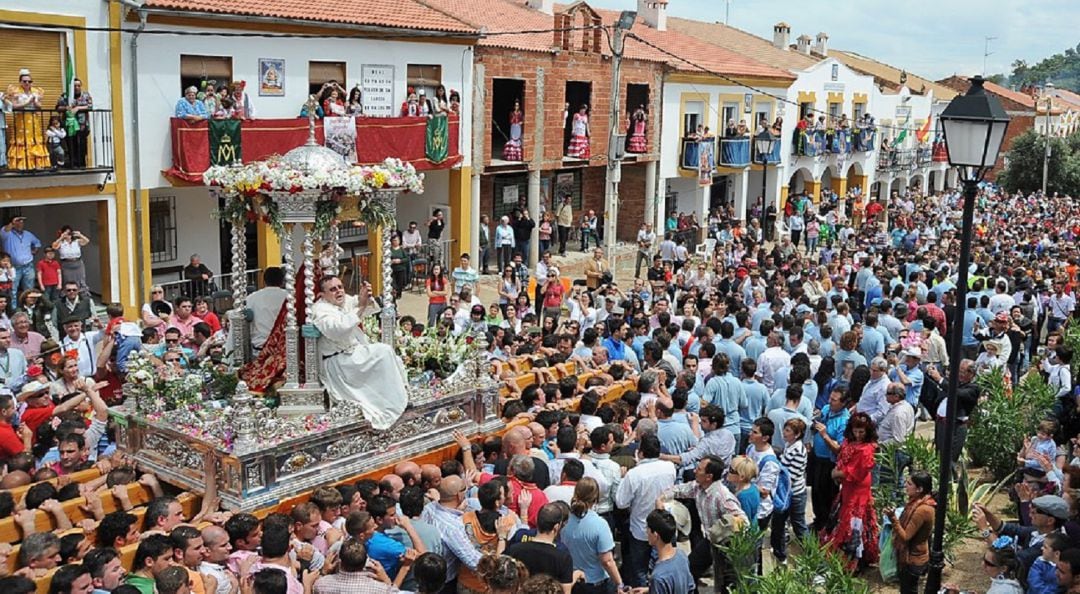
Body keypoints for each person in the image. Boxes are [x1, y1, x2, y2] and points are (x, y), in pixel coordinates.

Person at [309, 276, 408, 429]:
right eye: (333, 289)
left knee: (392, 357)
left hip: (353, 355)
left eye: (340, 287)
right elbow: (338, 330)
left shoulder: (343, 300)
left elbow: (364, 305)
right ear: (322, 295)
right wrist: (361, 306)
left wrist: (366, 297)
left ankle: (398, 400)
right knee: (383, 352)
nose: (338, 291)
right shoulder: (320, 310)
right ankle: (390, 405)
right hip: (339, 362)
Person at [821, 412, 879, 570]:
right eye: (856, 431)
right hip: (847, 486)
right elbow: (842, 455)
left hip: (858, 488)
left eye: (862, 432)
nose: (858, 435)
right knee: (845, 517)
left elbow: (857, 473)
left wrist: (837, 473)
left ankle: (853, 560)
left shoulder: (867, 449)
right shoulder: (848, 441)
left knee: (854, 521)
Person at [885, 470, 935, 594]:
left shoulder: (922, 510)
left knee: (909, 590)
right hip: (911, 557)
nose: (905, 486)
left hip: (913, 559)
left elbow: (906, 536)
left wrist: (893, 519)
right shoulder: (915, 503)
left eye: (909, 484)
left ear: (919, 489)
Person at [941, 539, 1023, 594]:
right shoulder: (1006, 583)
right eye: (983, 559)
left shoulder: (1004, 590)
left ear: (1003, 568)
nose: (982, 564)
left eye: (988, 563)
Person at [6, 69, 50, 170]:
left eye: (29, 81)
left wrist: (35, 102)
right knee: (23, 140)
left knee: (34, 138)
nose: (27, 83)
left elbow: (40, 106)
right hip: (21, 120)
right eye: (24, 81)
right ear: (20, 82)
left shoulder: (35, 92)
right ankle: (22, 165)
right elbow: (13, 106)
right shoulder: (16, 92)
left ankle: (36, 163)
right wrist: (27, 102)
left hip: (33, 120)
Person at [1, 216, 42, 295]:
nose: (20, 223)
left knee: (29, 289)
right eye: (18, 221)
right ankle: (13, 307)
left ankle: (28, 306)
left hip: (28, 266)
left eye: (22, 221)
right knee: (13, 289)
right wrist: (12, 223)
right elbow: (4, 231)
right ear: (12, 223)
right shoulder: (7, 234)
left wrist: (34, 251)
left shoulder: (28, 234)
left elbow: (37, 243)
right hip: (13, 267)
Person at [51, 226, 90, 297]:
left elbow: (87, 241)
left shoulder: (76, 242)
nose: (68, 235)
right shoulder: (61, 243)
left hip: (77, 263)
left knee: (81, 280)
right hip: (66, 264)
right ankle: (67, 296)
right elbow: (54, 246)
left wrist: (80, 235)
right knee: (67, 280)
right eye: (66, 233)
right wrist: (61, 237)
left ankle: (82, 296)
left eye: (69, 233)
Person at [425, 264, 449, 328]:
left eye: (437, 269)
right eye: (434, 269)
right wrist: (441, 293)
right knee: (431, 322)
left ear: (440, 270)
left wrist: (435, 292)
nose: (436, 271)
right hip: (433, 303)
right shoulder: (429, 280)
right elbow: (429, 294)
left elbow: (446, 292)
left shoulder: (444, 280)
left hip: (443, 303)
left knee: (441, 322)